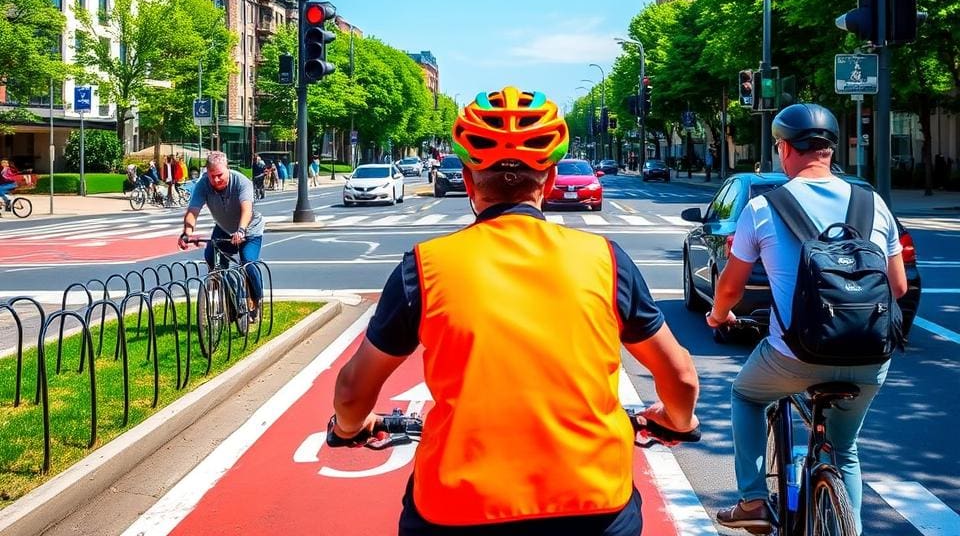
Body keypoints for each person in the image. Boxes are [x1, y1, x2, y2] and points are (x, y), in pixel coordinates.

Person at [330, 86, 700, 536]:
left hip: (458, 511)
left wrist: (352, 427)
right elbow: (680, 377)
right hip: (593, 509)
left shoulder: (424, 267)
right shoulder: (606, 259)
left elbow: (352, 392)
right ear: (550, 180)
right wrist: (676, 421)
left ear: (467, 181)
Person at [708, 104, 908, 536]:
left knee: (745, 395)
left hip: (792, 356)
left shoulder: (763, 208)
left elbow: (731, 288)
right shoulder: (873, 202)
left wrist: (718, 315)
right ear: (831, 150)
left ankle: (754, 501)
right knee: (845, 447)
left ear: (784, 149)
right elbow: (899, 289)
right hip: (871, 358)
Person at [177, 152, 265, 321]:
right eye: (212, 176)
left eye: (219, 175)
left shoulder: (241, 182)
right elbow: (193, 211)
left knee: (248, 263)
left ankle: (256, 301)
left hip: (249, 230)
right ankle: (232, 302)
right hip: (224, 229)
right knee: (211, 258)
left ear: (227, 169)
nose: (216, 180)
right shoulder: (203, 184)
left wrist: (241, 231)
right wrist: (187, 232)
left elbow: (247, 209)